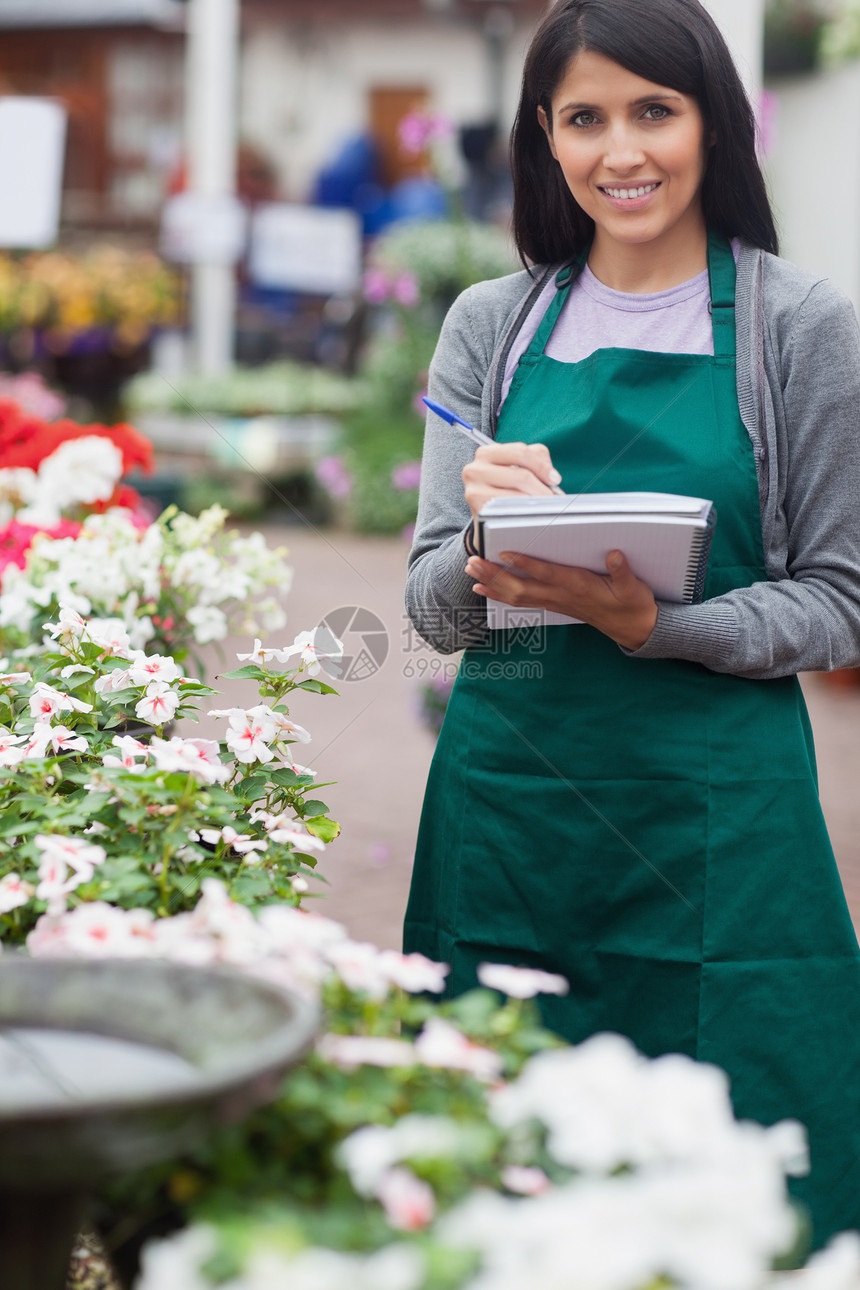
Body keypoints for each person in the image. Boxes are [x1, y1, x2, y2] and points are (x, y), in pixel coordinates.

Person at [403, 0, 860, 1249]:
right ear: (543, 139)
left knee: (752, 1181)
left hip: (720, 825)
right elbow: (428, 608)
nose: (623, 150)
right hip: (513, 814)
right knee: (498, 1170)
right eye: (584, 118)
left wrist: (653, 622)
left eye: (653, 110)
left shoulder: (796, 326)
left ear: (714, 122)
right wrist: (483, 548)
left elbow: (836, 599)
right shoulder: (490, 330)